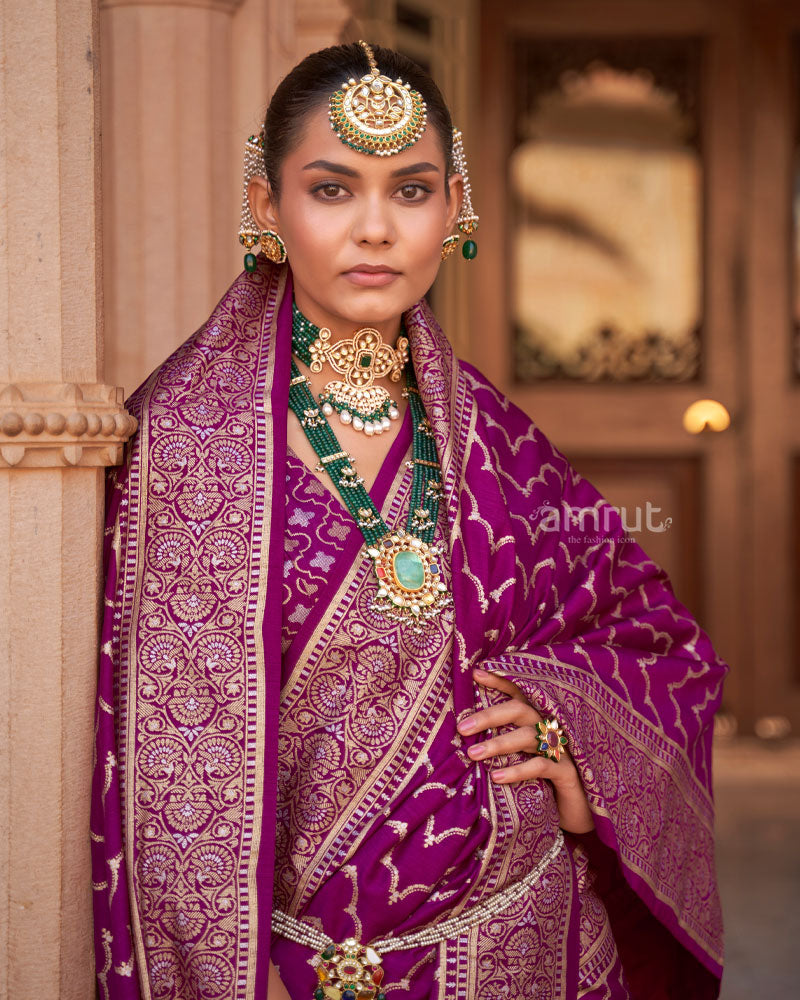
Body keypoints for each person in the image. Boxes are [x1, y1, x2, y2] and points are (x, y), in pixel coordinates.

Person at [91, 41, 727, 1000]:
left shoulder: (493, 436)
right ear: (268, 207)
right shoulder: (185, 440)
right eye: (334, 190)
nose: (378, 229)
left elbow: (652, 636)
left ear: (455, 206)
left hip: (523, 948)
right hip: (286, 969)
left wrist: (567, 736)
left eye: (413, 189)